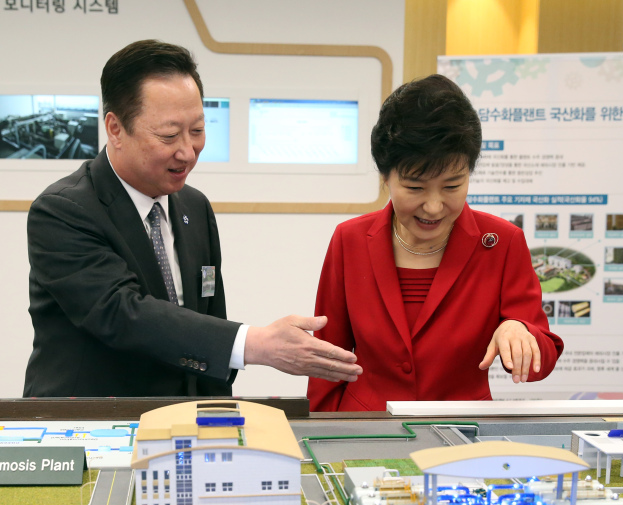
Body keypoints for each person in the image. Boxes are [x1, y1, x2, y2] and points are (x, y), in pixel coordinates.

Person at [23, 40, 361, 397]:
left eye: (197, 130)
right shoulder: (62, 211)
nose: (187, 151)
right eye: (169, 135)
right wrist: (257, 342)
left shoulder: (194, 206)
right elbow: (123, 313)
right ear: (116, 128)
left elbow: (208, 317)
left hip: (183, 424)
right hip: (91, 426)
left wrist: (221, 420)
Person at [308, 74, 563, 412]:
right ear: (385, 176)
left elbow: (541, 359)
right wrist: (322, 438)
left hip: (463, 433)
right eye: (415, 188)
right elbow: (328, 358)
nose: (433, 206)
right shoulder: (350, 240)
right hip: (366, 430)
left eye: (452, 186)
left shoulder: (500, 242)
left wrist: (519, 331)